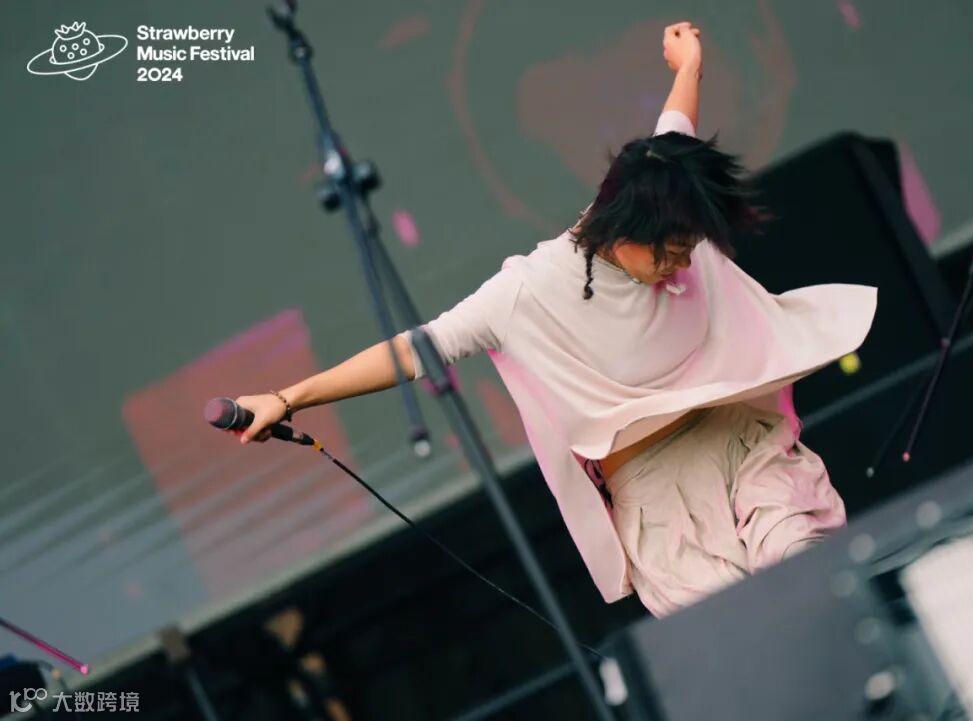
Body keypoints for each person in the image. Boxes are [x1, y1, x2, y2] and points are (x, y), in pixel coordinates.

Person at [232, 22, 877, 618]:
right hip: (658, 500)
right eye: (671, 250)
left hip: (744, 443)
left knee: (820, 577)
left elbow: (674, 126)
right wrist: (288, 398)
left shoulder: (664, 188)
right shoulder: (527, 292)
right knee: (752, 641)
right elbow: (414, 350)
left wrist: (689, 63)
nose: (684, 262)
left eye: (690, 247)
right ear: (623, 230)